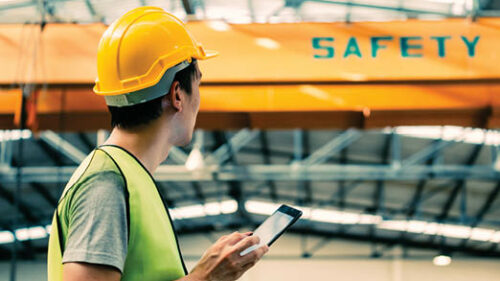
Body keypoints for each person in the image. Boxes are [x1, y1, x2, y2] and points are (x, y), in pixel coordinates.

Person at [47, 6, 268, 281]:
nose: (198, 98)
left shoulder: (128, 178)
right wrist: (204, 278)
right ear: (177, 94)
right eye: (198, 84)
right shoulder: (107, 182)